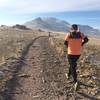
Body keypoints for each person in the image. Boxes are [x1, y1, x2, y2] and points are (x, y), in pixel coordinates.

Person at [64, 24, 89, 90]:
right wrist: (81, 44)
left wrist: (69, 47)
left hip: (71, 53)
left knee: (73, 66)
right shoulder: (81, 34)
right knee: (72, 64)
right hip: (78, 53)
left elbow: (65, 43)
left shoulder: (69, 34)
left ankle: (75, 81)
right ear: (77, 28)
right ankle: (68, 75)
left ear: (71, 28)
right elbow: (86, 39)